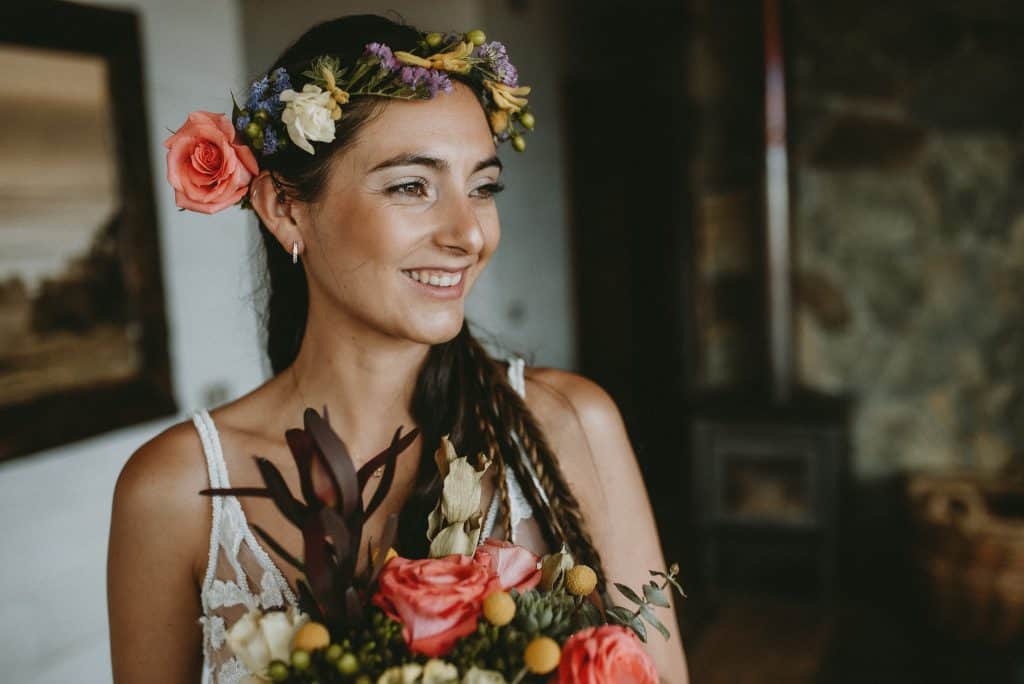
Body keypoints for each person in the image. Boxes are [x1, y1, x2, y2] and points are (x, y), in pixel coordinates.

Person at [107, 14, 688, 683]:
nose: (468, 233)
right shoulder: (173, 492)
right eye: (413, 186)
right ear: (285, 207)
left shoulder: (572, 424)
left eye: (482, 187)